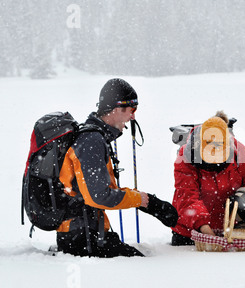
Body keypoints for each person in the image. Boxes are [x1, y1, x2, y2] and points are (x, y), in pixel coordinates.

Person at [56, 78, 178, 257]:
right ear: (115, 109)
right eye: (131, 109)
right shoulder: (91, 141)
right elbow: (99, 197)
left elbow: (98, 191)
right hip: (82, 239)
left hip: (86, 234)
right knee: (143, 267)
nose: (133, 116)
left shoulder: (94, 138)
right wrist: (143, 200)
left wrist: (148, 202)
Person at [170, 111, 245, 245]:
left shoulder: (240, 153)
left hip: (230, 231)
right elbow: (187, 197)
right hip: (190, 233)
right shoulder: (185, 158)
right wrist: (205, 228)